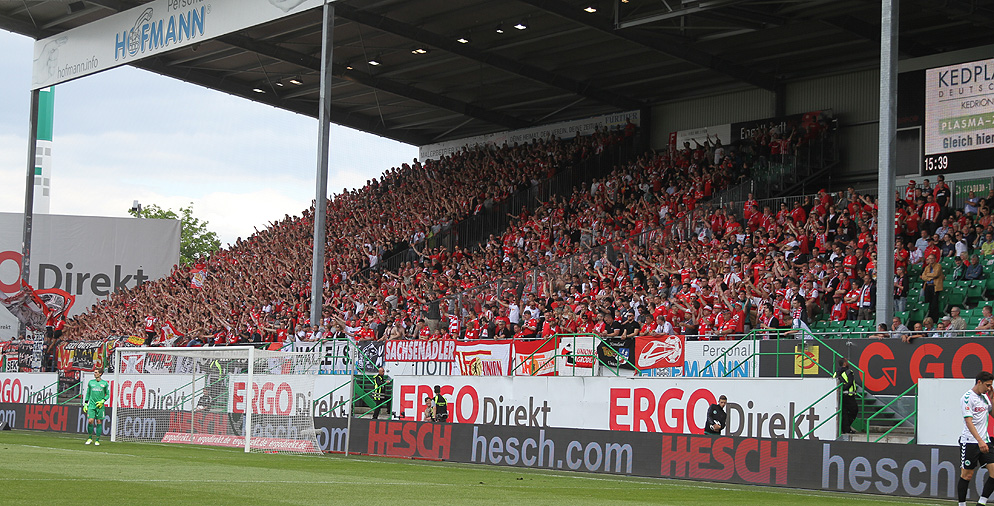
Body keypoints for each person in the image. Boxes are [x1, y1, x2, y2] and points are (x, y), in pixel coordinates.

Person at [958, 371, 994, 506]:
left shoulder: (985, 398)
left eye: (991, 385)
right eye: (987, 385)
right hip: (970, 442)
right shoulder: (967, 398)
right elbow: (968, 421)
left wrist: (992, 399)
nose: (989, 388)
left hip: (985, 441)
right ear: (979, 382)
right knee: (967, 475)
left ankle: (981, 503)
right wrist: (979, 441)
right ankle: (962, 504)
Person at [83, 369, 110, 446]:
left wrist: (102, 401)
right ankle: (90, 438)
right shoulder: (91, 382)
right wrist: (86, 403)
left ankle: (97, 440)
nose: (94, 374)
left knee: (99, 421)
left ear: (100, 373)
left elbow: (108, 394)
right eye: (94, 372)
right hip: (91, 405)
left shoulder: (104, 383)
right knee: (90, 421)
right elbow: (88, 393)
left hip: (100, 406)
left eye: (96, 372)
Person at [834, 359, 858, 434]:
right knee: (854, 410)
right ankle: (846, 428)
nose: (848, 363)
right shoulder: (849, 372)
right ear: (844, 363)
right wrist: (844, 388)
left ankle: (845, 429)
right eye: (847, 361)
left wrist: (841, 389)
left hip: (840, 396)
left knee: (844, 413)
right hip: (849, 396)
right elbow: (850, 383)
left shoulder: (836, 373)